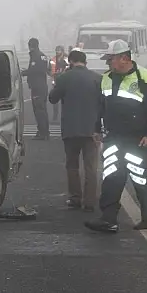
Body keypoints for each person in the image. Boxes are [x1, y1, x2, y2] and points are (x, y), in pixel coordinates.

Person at [84, 40, 147, 233]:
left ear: (124, 58)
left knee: (140, 178)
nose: (108, 63)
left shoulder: (144, 78)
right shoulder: (106, 78)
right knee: (111, 177)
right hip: (113, 137)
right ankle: (108, 219)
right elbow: (100, 107)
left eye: (111, 59)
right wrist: (97, 129)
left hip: (137, 139)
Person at [48, 50, 102, 212]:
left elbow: (52, 98)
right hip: (92, 129)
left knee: (72, 165)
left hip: (70, 129)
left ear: (70, 61)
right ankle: (90, 201)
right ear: (85, 62)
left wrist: (60, 80)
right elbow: (103, 104)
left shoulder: (65, 77)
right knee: (91, 167)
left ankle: (75, 198)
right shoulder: (97, 79)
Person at [21, 37, 50, 140]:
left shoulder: (37, 56)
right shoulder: (41, 56)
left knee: (39, 110)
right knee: (42, 110)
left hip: (38, 87)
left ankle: (43, 132)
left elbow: (36, 70)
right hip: (41, 86)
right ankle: (44, 131)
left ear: (31, 46)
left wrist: (23, 72)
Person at [49, 45, 68, 122]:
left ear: (62, 51)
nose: (57, 52)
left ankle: (65, 116)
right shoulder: (53, 59)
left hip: (65, 82)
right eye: (57, 50)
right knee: (55, 100)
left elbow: (69, 68)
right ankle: (55, 117)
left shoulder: (66, 59)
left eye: (59, 50)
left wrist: (61, 72)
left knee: (65, 100)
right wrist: (51, 73)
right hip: (56, 81)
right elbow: (49, 69)